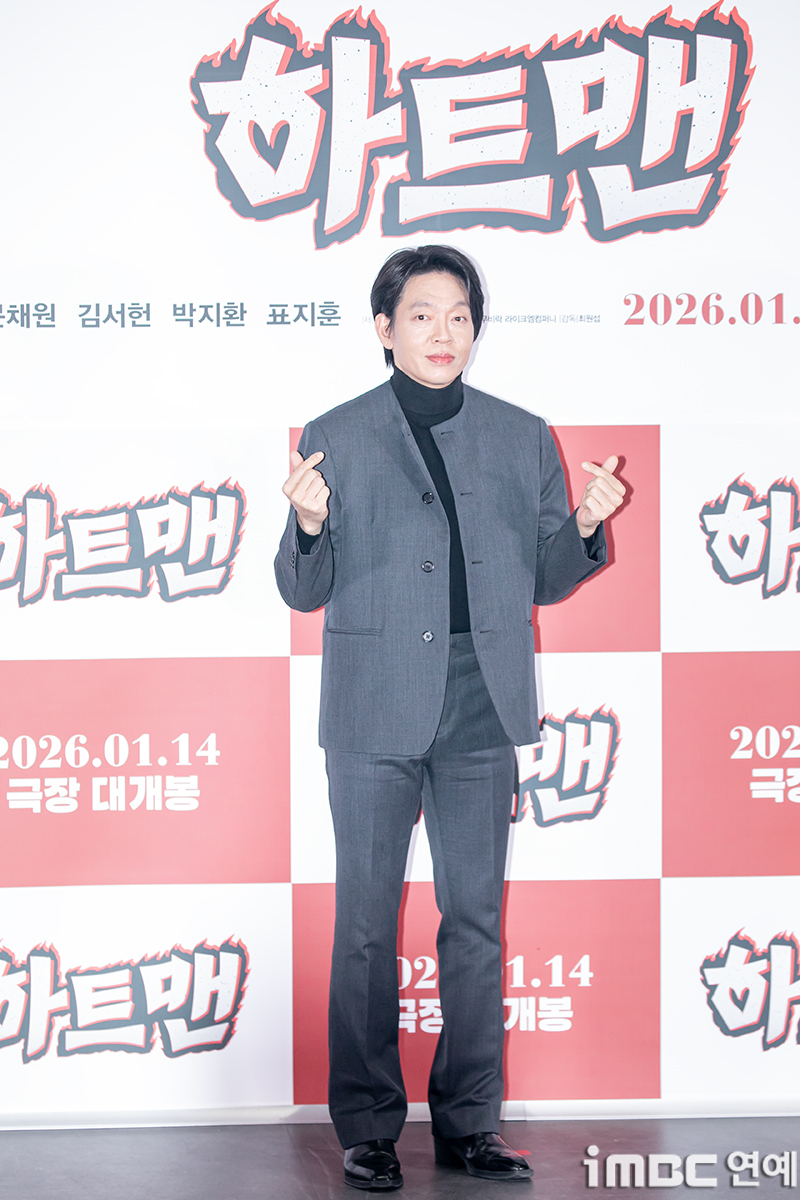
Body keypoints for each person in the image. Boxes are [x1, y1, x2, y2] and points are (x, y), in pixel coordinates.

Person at [275, 245, 624, 1190]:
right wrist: (308, 526)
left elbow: (546, 577)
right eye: (422, 314)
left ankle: (472, 1123)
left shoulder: (522, 435)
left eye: (459, 315)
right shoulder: (336, 435)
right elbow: (301, 591)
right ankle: (368, 1128)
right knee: (364, 925)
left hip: (481, 705)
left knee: (474, 922)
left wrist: (586, 525)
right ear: (384, 328)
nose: (443, 332)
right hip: (373, 708)